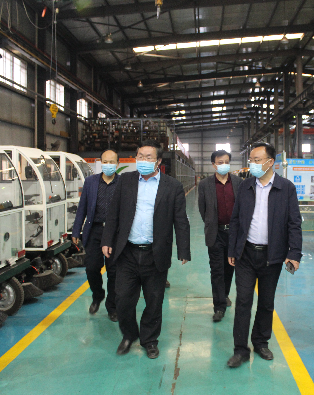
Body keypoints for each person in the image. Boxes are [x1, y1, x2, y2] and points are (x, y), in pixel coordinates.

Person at [101, 140, 190, 359]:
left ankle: (149, 340)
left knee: (154, 301)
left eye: (148, 157)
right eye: (140, 156)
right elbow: (113, 213)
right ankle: (129, 334)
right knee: (123, 299)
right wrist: (107, 240)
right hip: (127, 252)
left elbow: (180, 219)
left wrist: (184, 249)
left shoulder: (172, 186)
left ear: (158, 161)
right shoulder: (126, 181)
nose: (143, 160)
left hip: (155, 253)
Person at [226, 142, 302, 368]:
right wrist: (233, 249)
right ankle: (240, 349)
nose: (253, 164)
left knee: (266, 302)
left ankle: (260, 342)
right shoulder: (245, 186)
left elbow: (294, 223)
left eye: (257, 160)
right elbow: (236, 219)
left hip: (272, 255)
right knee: (243, 301)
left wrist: (294, 253)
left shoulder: (286, 188)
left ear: (271, 162)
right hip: (246, 254)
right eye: (251, 160)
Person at [71, 149, 119, 321]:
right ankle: (98, 295)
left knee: (114, 272)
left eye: (111, 162)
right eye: (105, 162)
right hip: (94, 231)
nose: (108, 165)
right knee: (91, 268)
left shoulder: (122, 183)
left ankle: (112, 307)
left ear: (117, 164)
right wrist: (76, 230)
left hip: (114, 233)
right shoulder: (91, 182)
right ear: (100, 163)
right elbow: (82, 208)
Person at [198, 150, 243, 322]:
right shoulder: (205, 184)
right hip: (215, 233)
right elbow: (202, 209)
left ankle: (224, 294)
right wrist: (212, 224)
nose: (223, 165)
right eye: (220, 162)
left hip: (234, 233)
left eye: (226, 162)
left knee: (229, 267)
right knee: (217, 270)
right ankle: (219, 307)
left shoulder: (238, 183)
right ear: (213, 165)